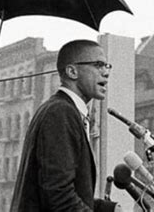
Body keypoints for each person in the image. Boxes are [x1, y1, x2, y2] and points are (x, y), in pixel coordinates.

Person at [10, 40, 121, 212]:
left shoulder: (60, 110)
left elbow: (64, 192)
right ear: (72, 71)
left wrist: (106, 209)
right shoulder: (60, 113)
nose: (106, 72)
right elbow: (58, 196)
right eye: (98, 65)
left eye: (107, 66)